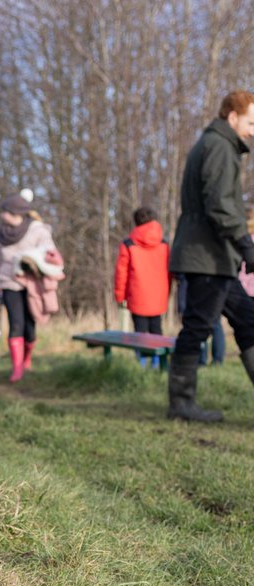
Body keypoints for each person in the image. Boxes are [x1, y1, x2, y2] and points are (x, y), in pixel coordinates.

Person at [168, 91, 254, 421]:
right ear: (232, 118)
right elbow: (220, 204)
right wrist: (245, 243)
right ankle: (181, 405)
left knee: (249, 319)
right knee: (198, 326)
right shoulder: (219, 146)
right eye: (249, 122)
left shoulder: (217, 144)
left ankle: (181, 404)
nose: (251, 130)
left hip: (216, 256)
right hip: (206, 255)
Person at [0, 189, 65, 383]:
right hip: (9, 283)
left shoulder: (38, 230)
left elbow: (51, 254)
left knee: (29, 327)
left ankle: (27, 358)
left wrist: (33, 262)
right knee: (15, 324)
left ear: (16, 213)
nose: (1, 215)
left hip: (32, 285)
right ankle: (17, 368)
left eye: (5, 211)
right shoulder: (1, 235)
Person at [114, 207, 171, 368]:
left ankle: (142, 364)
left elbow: (121, 273)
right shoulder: (164, 244)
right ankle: (158, 363)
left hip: (137, 295)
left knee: (140, 332)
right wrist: (168, 291)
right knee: (156, 330)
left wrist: (120, 296)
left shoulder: (129, 244)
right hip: (159, 295)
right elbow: (169, 271)